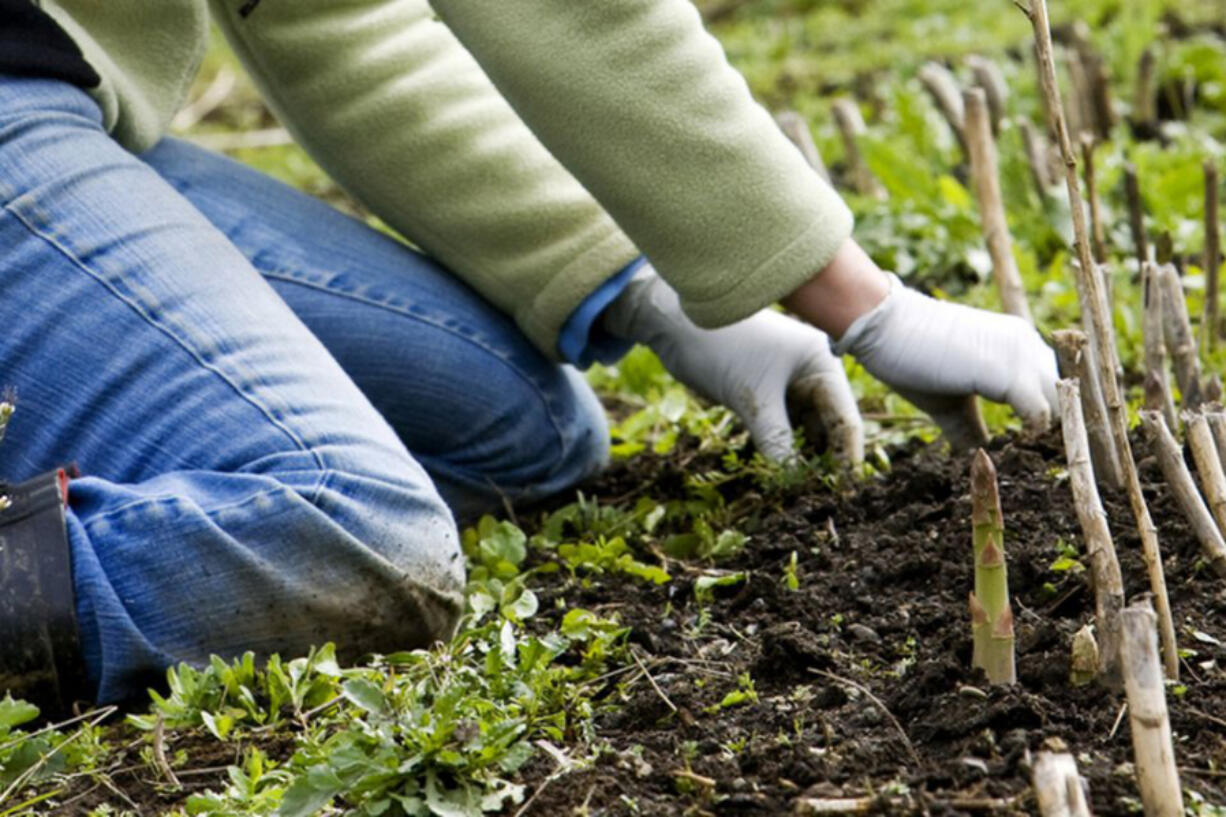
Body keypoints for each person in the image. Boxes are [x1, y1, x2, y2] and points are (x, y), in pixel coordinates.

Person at [0, 0, 1057, 717]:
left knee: (514, 427)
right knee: (352, 527)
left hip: (58, 101)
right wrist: (850, 295)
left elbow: (329, 17)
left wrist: (646, 289)